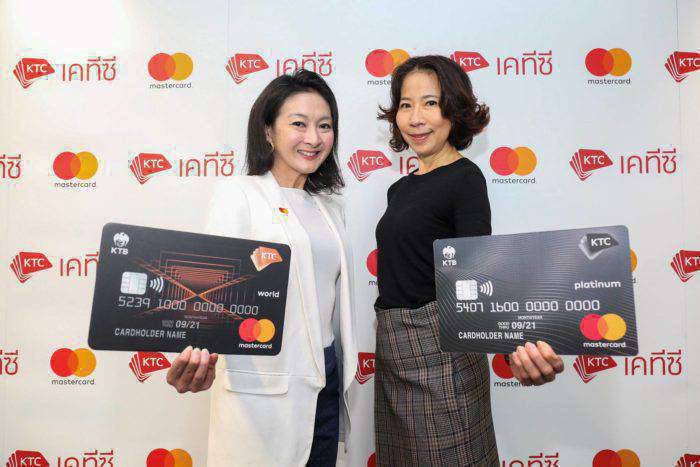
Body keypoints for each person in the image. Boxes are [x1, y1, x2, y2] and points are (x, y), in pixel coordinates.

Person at [373, 55, 565, 466]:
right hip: (393, 353)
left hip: (443, 355)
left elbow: (481, 273)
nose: (416, 117)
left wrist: (516, 347)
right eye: (406, 104)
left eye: (430, 103)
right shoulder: (398, 190)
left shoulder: (465, 178)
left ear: (454, 109)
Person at [165, 69, 357, 467]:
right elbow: (210, 289)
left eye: (324, 126)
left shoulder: (330, 206)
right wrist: (195, 352)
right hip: (264, 388)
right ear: (268, 131)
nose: (313, 138)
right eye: (299, 124)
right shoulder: (239, 195)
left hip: (325, 380)